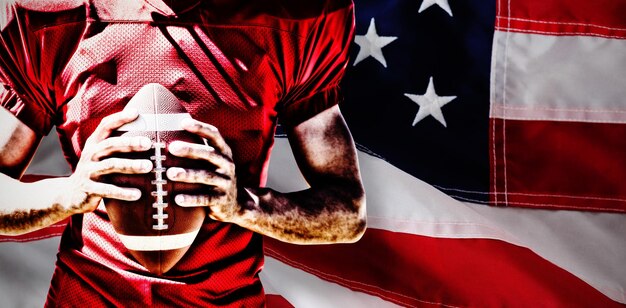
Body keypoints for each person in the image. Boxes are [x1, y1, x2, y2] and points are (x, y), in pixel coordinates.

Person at [0, 0, 366, 306]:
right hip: (89, 296)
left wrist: (248, 206)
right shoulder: (53, 20)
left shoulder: (289, 17)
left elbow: (348, 213)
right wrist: (66, 194)